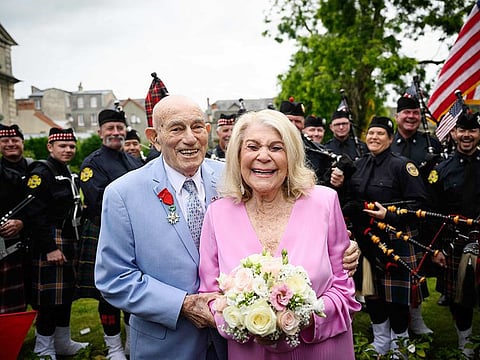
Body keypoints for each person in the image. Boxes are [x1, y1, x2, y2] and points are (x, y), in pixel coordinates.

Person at [95, 95, 361, 359]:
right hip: (170, 345)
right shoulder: (123, 194)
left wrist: (343, 248)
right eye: (177, 128)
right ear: (154, 136)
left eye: (197, 127)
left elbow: (318, 240)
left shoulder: (236, 175)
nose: (190, 138)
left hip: (234, 349)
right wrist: (182, 305)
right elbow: (114, 278)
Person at [198, 109, 361, 359]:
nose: (263, 156)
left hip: (322, 349)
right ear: (238, 155)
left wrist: (303, 317)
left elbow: (344, 289)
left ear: (292, 155)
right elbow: (209, 295)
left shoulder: (324, 202)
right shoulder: (217, 215)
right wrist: (242, 319)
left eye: (276, 148)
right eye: (252, 147)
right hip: (251, 351)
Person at [343, 116, 430, 356]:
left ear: (391, 139)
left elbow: (420, 204)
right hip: (365, 238)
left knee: (396, 297)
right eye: (371, 133)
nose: (374, 137)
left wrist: (388, 215)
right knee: (371, 291)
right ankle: (381, 339)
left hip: (395, 238)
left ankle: (399, 342)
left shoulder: (403, 166)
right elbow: (350, 198)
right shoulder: (359, 164)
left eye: (380, 134)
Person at [77, 108, 143, 359]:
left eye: (119, 128)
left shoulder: (133, 160)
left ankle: (129, 344)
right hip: (105, 234)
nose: (116, 133)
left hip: (137, 234)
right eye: (110, 128)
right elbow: (98, 201)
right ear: (100, 132)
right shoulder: (92, 163)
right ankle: (114, 348)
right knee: (109, 293)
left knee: (134, 290)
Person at [25, 128, 88, 359]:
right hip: (50, 239)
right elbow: (34, 213)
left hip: (68, 236)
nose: (68, 150)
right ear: (50, 147)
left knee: (65, 295)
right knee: (49, 300)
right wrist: (50, 248)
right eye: (63, 146)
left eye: (72, 146)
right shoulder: (41, 172)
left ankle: (63, 343)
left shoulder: (64, 170)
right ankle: (43, 347)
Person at [429, 112, 480, 358]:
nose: (467, 136)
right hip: (455, 242)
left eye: (472, 131)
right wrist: (436, 247)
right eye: (462, 130)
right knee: (461, 297)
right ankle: (465, 343)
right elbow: (434, 213)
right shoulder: (441, 170)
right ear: (454, 133)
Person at [392, 95, 443, 333]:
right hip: (397, 214)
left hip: (425, 214)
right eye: (406, 113)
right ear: (397, 116)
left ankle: (417, 317)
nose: (411, 117)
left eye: (415, 113)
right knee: (399, 268)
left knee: (419, 267)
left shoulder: (430, 142)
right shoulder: (389, 143)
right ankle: (396, 321)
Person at [279, 98, 348, 189]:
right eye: (289, 120)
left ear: (303, 124)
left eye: (298, 121)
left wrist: (337, 179)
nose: (293, 125)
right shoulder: (268, 146)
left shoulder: (317, 151)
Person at [0, 124, 31, 314]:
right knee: (8, 298)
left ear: (22, 143)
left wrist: (22, 222)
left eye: (15, 140)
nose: (11, 144)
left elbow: (44, 204)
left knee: (37, 295)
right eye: (5, 141)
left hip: (34, 241)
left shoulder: (35, 168)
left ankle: (43, 336)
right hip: (4, 244)